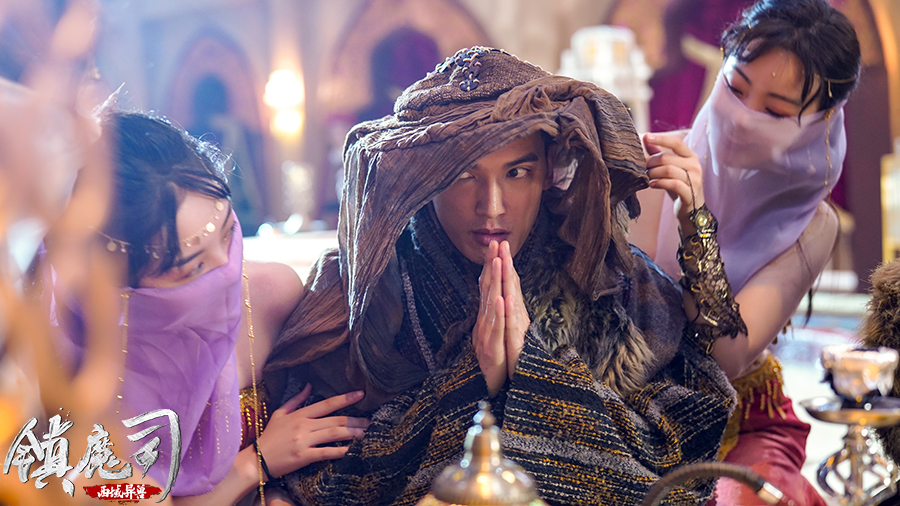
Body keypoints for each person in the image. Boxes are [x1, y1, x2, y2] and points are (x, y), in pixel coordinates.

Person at [263, 47, 746, 505]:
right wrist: (472, 381)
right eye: (464, 175)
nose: (491, 207)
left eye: (516, 173)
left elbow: (682, 452)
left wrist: (535, 377)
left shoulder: (605, 277)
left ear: (548, 170)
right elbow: (331, 482)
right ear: (428, 179)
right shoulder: (365, 289)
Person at [42, 111, 368, 505]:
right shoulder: (61, 363)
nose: (227, 271)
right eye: (193, 267)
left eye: (228, 234)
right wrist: (255, 464)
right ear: (114, 284)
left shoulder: (269, 295)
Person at [632, 0, 861, 504]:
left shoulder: (812, 223)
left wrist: (695, 221)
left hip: (738, 424)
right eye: (735, 89)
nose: (740, 118)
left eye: (775, 110)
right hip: (624, 409)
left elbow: (728, 356)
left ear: (822, 120)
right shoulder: (655, 162)